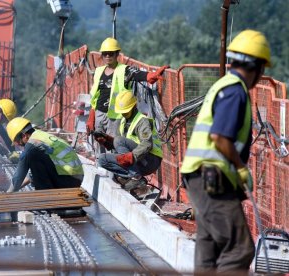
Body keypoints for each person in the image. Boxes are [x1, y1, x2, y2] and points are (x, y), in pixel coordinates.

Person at [180, 30, 271, 273]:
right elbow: (220, 137)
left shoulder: (223, 84)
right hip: (212, 178)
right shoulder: (235, 90)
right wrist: (241, 169)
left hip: (199, 177)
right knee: (239, 249)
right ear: (257, 66)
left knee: (208, 247)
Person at [86, 37, 168, 151]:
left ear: (117, 54)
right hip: (99, 113)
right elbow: (95, 97)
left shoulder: (124, 70)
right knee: (99, 143)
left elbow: (138, 74)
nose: (108, 56)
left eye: (111, 53)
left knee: (114, 144)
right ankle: (100, 165)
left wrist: (150, 76)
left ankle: (112, 167)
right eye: (105, 54)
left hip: (115, 116)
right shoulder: (99, 71)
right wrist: (91, 116)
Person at [95, 91, 163, 190]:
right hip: (137, 161)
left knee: (119, 140)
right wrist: (106, 142)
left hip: (150, 160)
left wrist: (131, 157)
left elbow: (147, 144)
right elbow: (121, 146)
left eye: (126, 111)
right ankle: (131, 180)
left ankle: (135, 177)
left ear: (134, 106)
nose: (124, 113)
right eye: (122, 111)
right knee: (102, 159)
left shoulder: (142, 121)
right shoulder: (123, 121)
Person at [6, 117, 83, 192]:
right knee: (34, 159)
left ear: (24, 135)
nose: (19, 145)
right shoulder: (40, 136)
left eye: (17, 141)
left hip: (68, 180)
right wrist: (16, 188)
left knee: (31, 156)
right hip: (73, 178)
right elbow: (34, 174)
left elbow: (19, 176)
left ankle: (44, 195)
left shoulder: (32, 145)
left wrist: (8, 194)